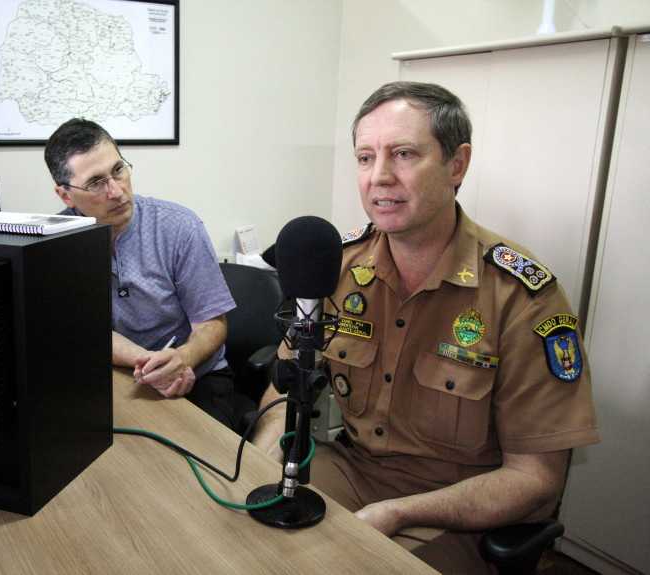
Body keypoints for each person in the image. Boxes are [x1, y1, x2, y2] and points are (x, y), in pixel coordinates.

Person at [251, 82, 599, 573]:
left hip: (460, 506)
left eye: (404, 154)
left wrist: (400, 512)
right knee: (242, 527)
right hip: (353, 469)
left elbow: (536, 477)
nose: (379, 178)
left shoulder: (520, 295)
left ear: (457, 165)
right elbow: (281, 381)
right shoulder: (340, 266)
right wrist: (270, 449)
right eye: (366, 158)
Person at [44, 118, 237, 429]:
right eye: (95, 182)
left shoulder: (180, 228)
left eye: (118, 170)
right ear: (66, 196)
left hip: (194, 375)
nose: (115, 191)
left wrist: (180, 359)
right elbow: (79, 332)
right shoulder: (57, 243)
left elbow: (213, 324)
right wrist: (147, 364)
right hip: (114, 376)